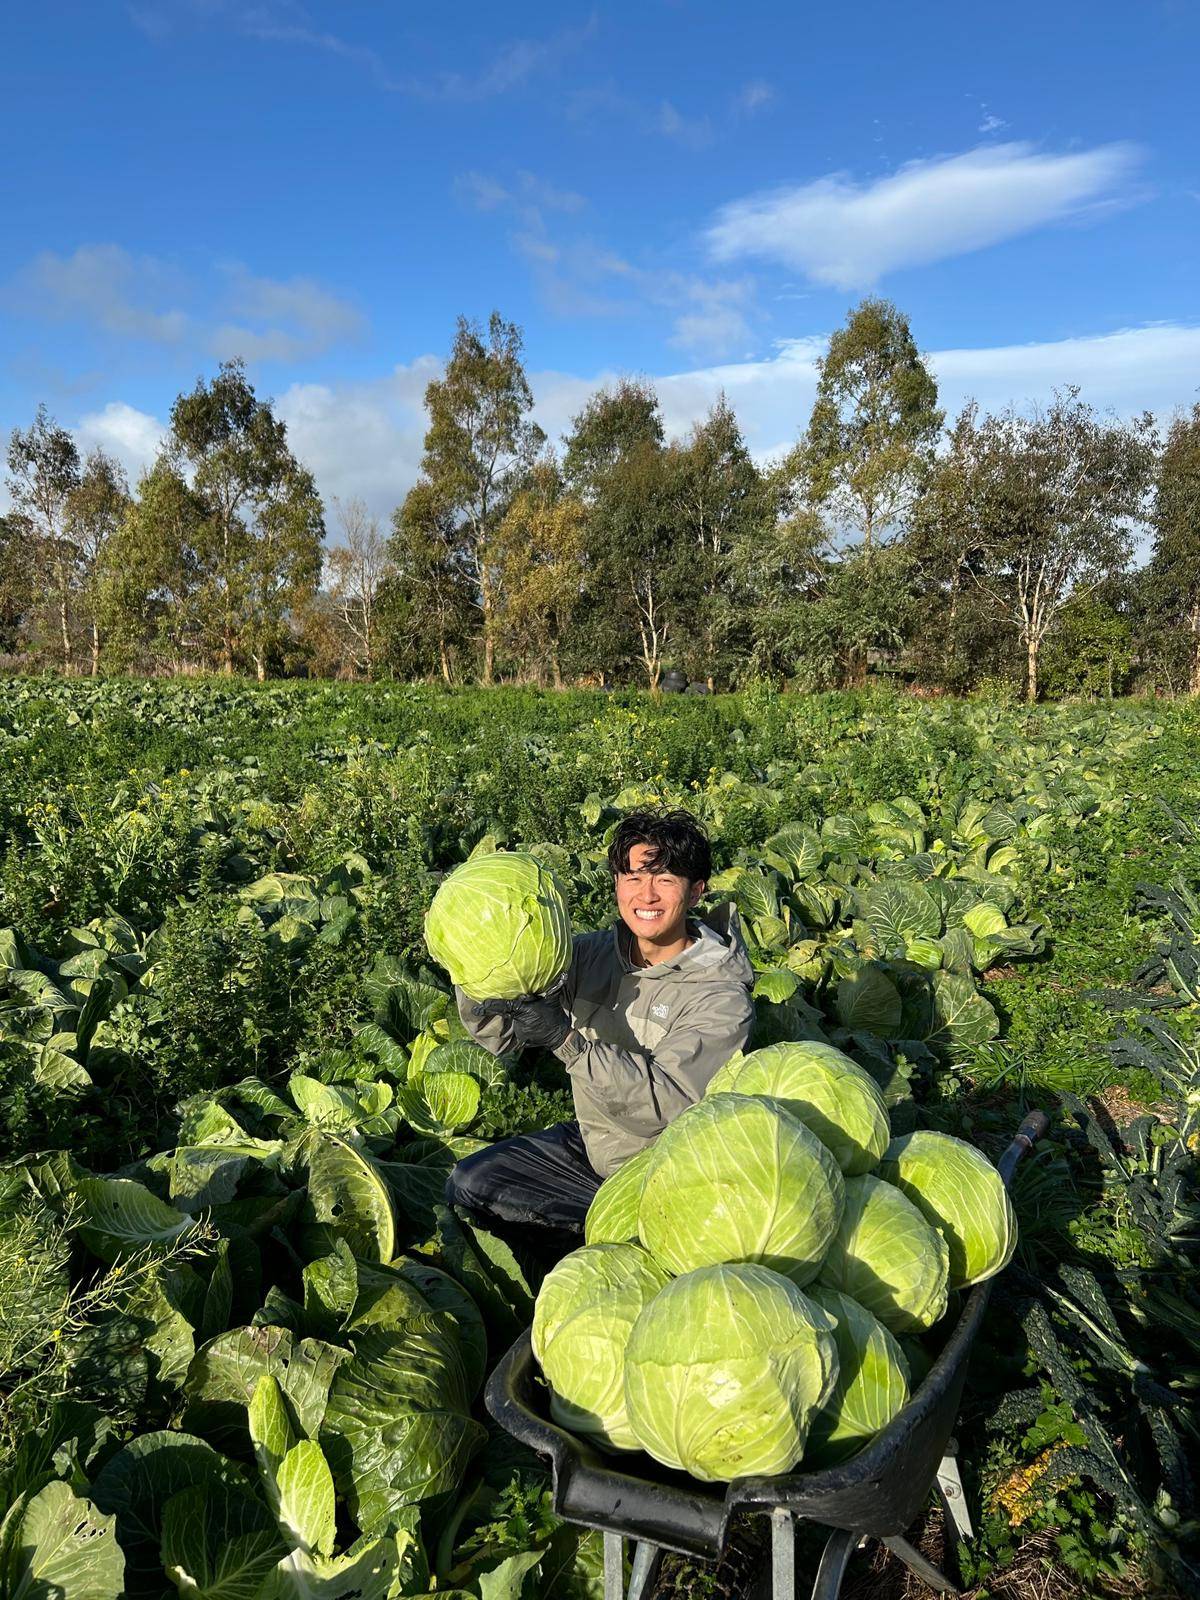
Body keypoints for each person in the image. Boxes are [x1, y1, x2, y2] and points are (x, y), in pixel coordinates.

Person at [444, 808, 755, 1249]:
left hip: (664, 1174)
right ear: (616, 885)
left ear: (697, 891)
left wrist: (566, 1043)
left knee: (615, 1248)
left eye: (665, 879)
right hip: (596, 1145)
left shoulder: (720, 997)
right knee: (470, 1184)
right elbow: (502, 1034)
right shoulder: (591, 957)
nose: (646, 895)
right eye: (632, 877)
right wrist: (477, 966)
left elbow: (668, 1107)